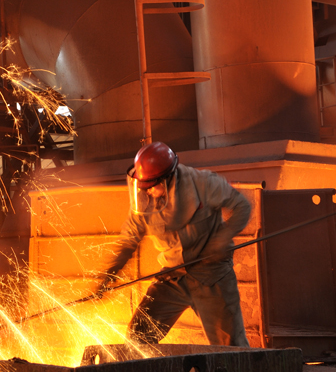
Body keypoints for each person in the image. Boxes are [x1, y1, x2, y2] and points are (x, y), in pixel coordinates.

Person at [96, 141, 251, 347]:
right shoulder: (144, 201)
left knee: (231, 346)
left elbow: (242, 206)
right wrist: (110, 273)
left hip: (212, 276)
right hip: (173, 277)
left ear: (168, 179)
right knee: (138, 337)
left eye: (151, 187)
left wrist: (221, 239)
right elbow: (129, 240)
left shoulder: (203, 184)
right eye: (143, 187)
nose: (147, 192)